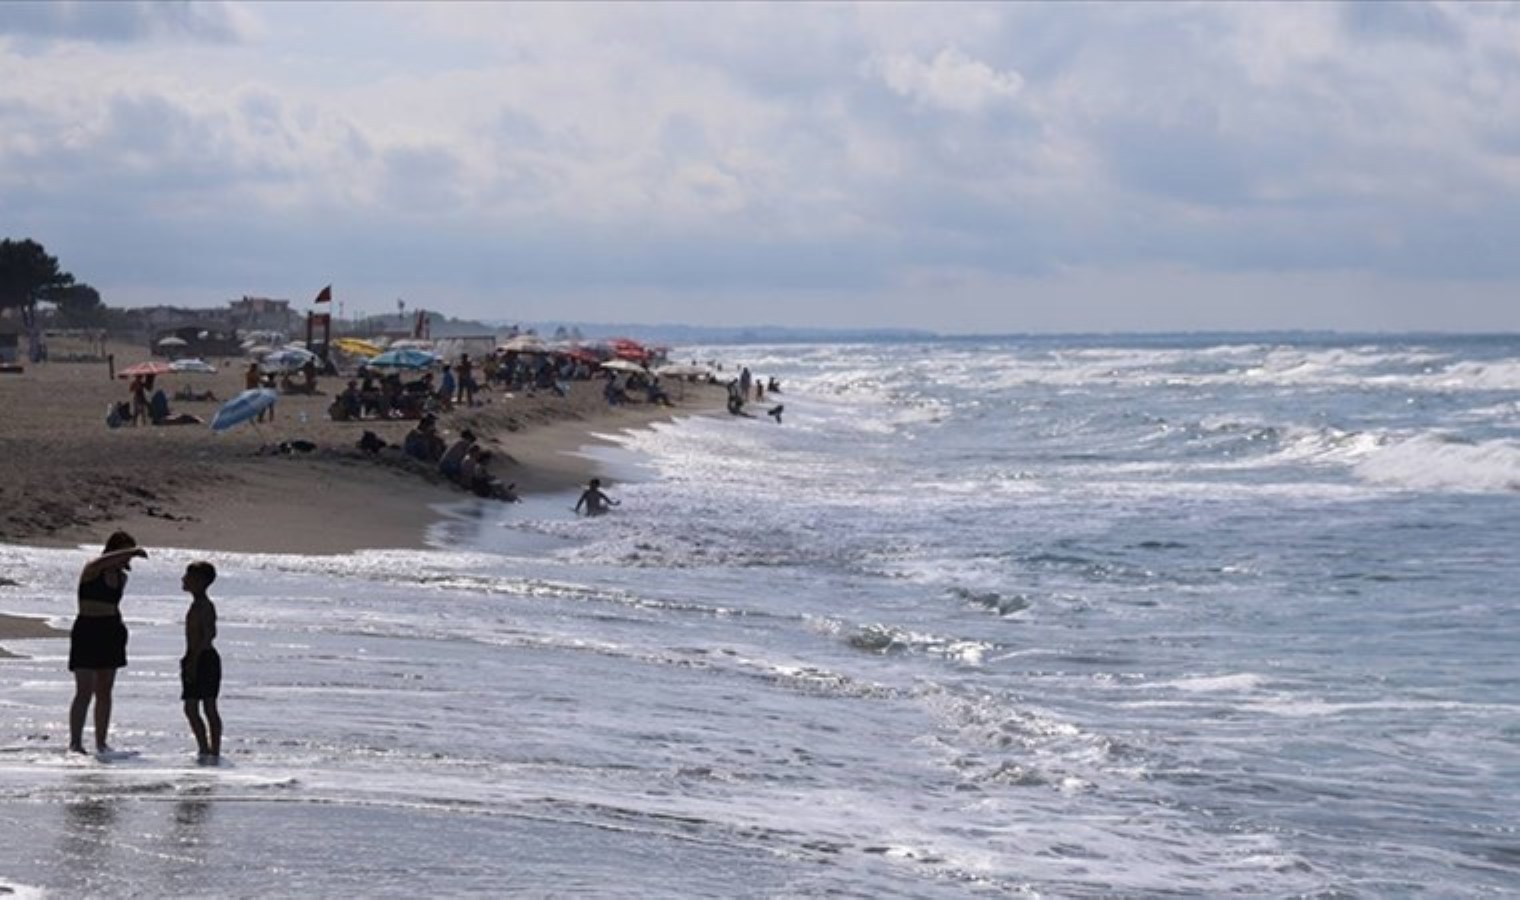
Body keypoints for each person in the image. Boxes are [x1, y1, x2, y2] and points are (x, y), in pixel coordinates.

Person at [68, 531, 147, 755]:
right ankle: (75, 742)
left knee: (105, 690)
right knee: (84, 689)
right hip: (87, 629)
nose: (127, 559)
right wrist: (131, 550)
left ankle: (101, 742)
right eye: (123, 553)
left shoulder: (122, 578)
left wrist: (128, 555)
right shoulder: (92, 569)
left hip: (111, 631)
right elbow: (101, 561)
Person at [179, 561, 223, 764]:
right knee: (191, 708)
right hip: (193, 656)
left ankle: (214, 750)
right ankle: (203, 748)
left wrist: (194, 660)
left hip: (204, 658)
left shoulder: (205, 605)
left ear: (200, 581)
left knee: (208, 707)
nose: (184, 579)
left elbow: (209, 635)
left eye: (188, 577)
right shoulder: (196, 604)